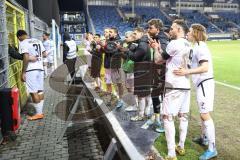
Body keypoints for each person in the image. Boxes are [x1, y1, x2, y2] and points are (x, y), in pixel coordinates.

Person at [173, 24, 217, 160]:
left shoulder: (202, 47)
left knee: (205, 114)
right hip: (201, 84)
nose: (188, 33)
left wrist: (186, 71)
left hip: (205, 84)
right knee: (202, 113)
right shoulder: (197, 46)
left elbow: (204, 67)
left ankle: (212, 148)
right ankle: (204, 138)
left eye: (190, 32)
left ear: (196, 33)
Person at [153, 19, 192, 160]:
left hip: (174, 84)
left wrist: (156, 49)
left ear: (180, 30)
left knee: (167, 118)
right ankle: (180, 146)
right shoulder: (189, 44)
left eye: (173, 28)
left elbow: (158, 60)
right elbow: (172, 58)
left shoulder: (174, 43)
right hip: (186, 84)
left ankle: (171, 153)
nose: (170, 30)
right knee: (183, 116)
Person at [120, 27, 152, 121]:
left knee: (141, 95)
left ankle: (141, 115)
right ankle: (146, 111)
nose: (133, 35)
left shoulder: (142, 44)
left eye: (135, 33)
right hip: (145, 70)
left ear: (141, 33)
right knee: (146, 93)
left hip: (142, 71)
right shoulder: (143, 43)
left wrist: (127, 51)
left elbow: (134, 57)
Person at [145, 18, 169, 133]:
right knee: (155, 95)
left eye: (151, 28)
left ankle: (164, 122)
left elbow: (164, 55)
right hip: (157, 71)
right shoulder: (156, 37)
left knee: (161, 97)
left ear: (157, 29)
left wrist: (156, 49)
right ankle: (157, 118)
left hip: (161, 73)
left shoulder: (162, 38)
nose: (148, 29)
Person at [17, 30, 46, 120]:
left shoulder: (23, 42)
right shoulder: (37, 41)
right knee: (40, 91)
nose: (18, 40)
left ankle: (38, 114)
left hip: (31, 70)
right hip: (40, 68)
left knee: (33, 92)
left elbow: (25, 57)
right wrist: (37, 57)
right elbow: (44, 54)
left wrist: (23, 72)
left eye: (18, 38)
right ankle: (40, 112)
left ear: (20, 36)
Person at [104, 27, 125, 108]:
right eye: (108, 31)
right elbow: (105, 50)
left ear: (116, 33)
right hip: (108, 65)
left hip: (116, 66)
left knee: (118, 84)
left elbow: (111, 50)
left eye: (111, 32)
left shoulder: (119, 41)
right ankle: (109, 99)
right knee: (108, 83)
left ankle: (120, 99)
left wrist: (104, 45)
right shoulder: (109, 40)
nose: (109, 33)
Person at [121, 31, 138, 112]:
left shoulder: (134, 45)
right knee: (129, 87)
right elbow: (125, 57)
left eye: (127, 37)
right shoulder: (129, 45)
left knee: (131, 88)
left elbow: (128, 54)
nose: (125, 38)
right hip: (127, 68)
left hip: (131, 69)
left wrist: (121, 49)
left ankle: (134, 105)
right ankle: (133, 104)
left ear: (132, 37)